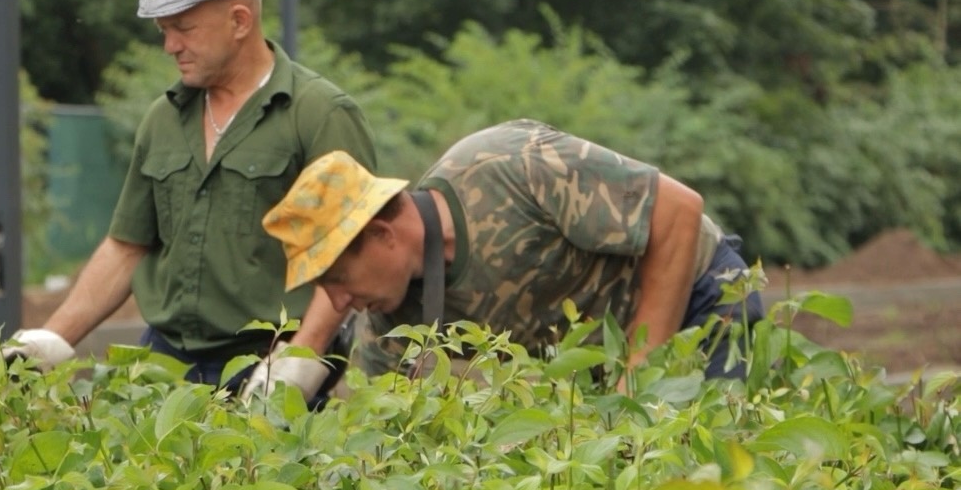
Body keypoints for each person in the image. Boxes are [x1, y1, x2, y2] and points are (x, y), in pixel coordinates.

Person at [7, 0, 376, 406]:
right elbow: (127, 246)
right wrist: (53, 340)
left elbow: (354, 254)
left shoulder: (319, 114)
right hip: (165, 363)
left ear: (240, 21)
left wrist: (301, 357)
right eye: (164, 30)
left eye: (183, 28)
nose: (169, 45)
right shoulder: (164, 119)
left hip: (268, 364)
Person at [261, 119, 765, 389]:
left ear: (381, 234)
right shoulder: (391, 332)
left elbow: (678, 212)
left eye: (339, 278)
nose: (339, 301)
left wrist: (638, 375)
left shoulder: (508, 167)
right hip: (601, 364)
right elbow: (396, 445)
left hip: (699, 296)